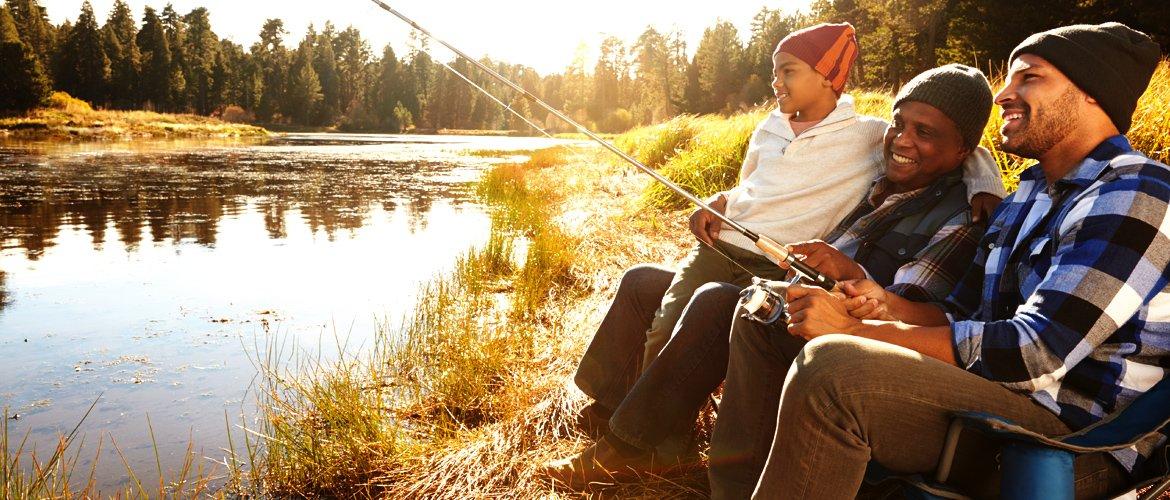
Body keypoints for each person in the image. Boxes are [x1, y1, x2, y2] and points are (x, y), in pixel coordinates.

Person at [747, 22, 1166, 499]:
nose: (1004, 93)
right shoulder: (1026, 195)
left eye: (1029, 77)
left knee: (832, 368)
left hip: (1069, 436)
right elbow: (961, 315)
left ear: (1093, 94)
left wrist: (856, 332)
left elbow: (1034, 352)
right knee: (774, 310)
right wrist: (878, 304)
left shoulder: (1135, 192)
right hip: (988, 393)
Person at [541, 64, 999, 491]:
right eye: (898, 123)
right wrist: (725, 200)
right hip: (791, 288)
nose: (902, 139)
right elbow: (773, 183)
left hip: (845, 334)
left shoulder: (962, 215)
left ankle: (628, 448)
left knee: (718, 301)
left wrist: (850, 272)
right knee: (644, 282)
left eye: (925, 133)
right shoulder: (878, 167)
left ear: (962, 150)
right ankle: (616, 411)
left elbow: (903, 310)